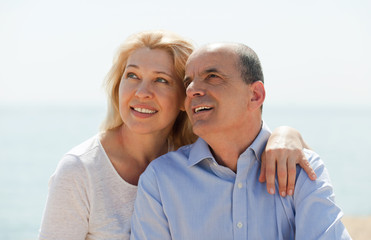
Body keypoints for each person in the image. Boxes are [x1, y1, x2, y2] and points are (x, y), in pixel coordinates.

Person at [38, 31, 314, 240]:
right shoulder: (79, 170)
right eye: (132, 76)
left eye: (161, 80)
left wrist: (286, 135)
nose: (142, 92)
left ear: (187, 97)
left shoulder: (197, 154)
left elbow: (255, 137)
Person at [130, 43, 351, 239]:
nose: (191, 90)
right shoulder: (160, 179)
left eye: (212, 77)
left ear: (255, 95)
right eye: (188, 82)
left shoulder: (301, 170)